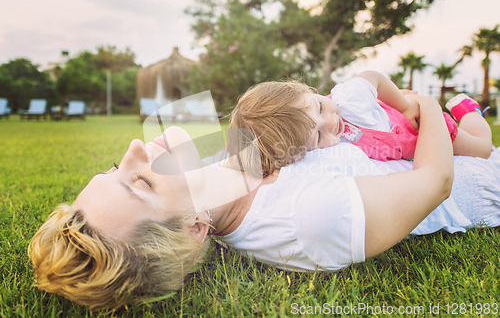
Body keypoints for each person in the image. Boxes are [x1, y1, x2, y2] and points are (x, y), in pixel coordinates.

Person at [28, 93, 500, 310]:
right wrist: (430, 105)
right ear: (194, 228)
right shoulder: (308, 219)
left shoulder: (227, 164)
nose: (133, 149)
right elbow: (436, 179)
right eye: (141, 183)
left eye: (114, 169)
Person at [230, 71, 492, 177]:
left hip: (422, 125)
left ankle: (470, 112)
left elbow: (373, 77)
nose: (332, 122)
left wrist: (404, 105)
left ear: (306, 90)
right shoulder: (322, 155)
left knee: (481, 149)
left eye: (321, 107)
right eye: (319, 136)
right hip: (406, 147)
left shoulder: (348, 99)